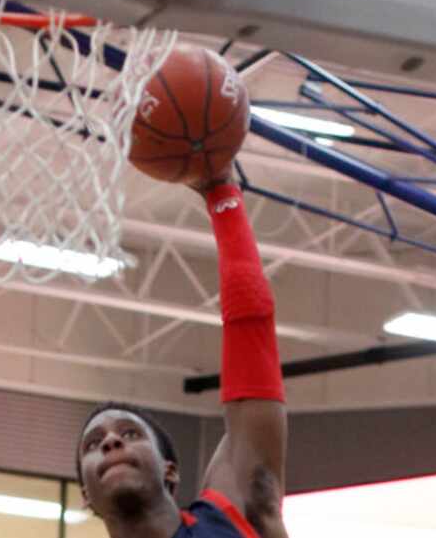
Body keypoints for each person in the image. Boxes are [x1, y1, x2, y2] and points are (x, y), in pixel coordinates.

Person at [75, 171, 289, 538]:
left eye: (130, 434)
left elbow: (252, 320)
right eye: (95, 445)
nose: (111, 442)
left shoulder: (230, 517)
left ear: (170, 469)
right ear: (85, 496)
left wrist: (222, 195)